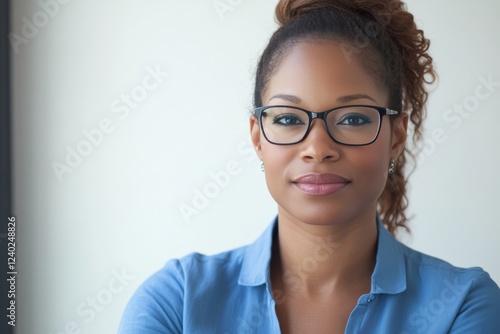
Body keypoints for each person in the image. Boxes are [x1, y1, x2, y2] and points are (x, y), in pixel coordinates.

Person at [118, 0, 500, 333]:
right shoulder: (176, 301)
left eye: (353, 119)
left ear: (396, 135)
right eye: (287, 119)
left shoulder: (463, 304)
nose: (318, 148)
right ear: (257, 137)